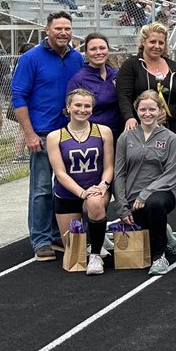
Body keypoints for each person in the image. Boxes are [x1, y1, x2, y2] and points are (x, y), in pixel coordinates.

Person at [11, 11, 84, 260]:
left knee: (63, 188)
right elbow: (18, 97)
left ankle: (57, 235)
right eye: (58, 29)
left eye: (67, 28)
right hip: (41, 134)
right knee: (41, 189)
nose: (63, 33)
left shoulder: (77, 58)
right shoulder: (31, 58)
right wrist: (29, 134)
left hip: (69, 134)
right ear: (47, 30)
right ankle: (40, 239)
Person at [114, 90, 176, 275]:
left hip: (162, 193)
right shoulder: (125, 138)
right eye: (143, 109)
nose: (147, 113)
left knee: (154, 204)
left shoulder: (171, 138)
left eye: (152, 109)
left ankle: (159, 257)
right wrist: (121, 205)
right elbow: (119, 174)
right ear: (136, 110)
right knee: (145, 229)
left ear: (160, 110)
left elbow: (172, 174)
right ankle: (166, 235)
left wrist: (146, 193)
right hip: (133, 197)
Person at [46, 88, 115, 275]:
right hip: (67, 192)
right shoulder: (55, 137)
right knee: (73, 248)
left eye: (87, 106)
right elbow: (60, 173)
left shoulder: (103, 132)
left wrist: (102, 186)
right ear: (68, 107)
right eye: (77, 105)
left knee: (94, 203)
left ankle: (96, 256)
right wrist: (81, 193)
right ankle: (97, 236)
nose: (82, 110)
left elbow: (109, 166)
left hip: (95, 190)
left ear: (92, 109)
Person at [116, 22, 176, 137]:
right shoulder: (130, 66)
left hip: (169, 131)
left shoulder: (174, 68)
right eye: (152, 42)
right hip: (137, 131)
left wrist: (168, 112)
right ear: (143, 42)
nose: (157, 46)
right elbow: (123, 96)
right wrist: (129, 117)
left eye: (161, 43)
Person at [66, 33, 122, 138]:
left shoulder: (117, 74)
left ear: (108, 50)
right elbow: (72, 113)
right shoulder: (79, 80)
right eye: (93, 49)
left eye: (102, 48)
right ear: (86, 53)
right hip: (93, 137)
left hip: (120, 135)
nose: (98, 52)